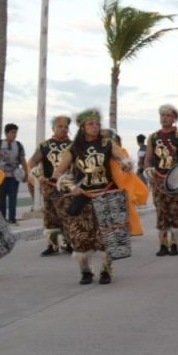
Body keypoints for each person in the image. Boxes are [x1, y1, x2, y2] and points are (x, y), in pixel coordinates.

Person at [52, 109, 133, 284]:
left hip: (106, 195)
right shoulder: (73, 148)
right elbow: (57, 173)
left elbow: (122, 158)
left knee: (107, 237)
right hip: (83, 197)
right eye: (90, 123)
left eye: (97, 123)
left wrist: (126, 164)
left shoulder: (108, 144)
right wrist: (71, 186)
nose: (95, 127)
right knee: (80, 237)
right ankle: (85, 271)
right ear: (82, 126)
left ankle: (106, 270)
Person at [144, 105, 178, 256]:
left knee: (176, 211)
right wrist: (148, 170)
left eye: (168, 116)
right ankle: (163, 245)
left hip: (176, 179)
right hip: (158, 179)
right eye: (162, 115)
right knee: (161, 211)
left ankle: (175, 244)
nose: (164, 118)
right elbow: (148, 159)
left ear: (173, 118)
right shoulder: (153, 137)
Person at [27, 115, 73, 256]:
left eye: (66, 127)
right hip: (49, 186)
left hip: (68, 186)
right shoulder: (45, 146)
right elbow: (32, 163)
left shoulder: (74, 145)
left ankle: (68, 243)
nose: (63, 129)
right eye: (60, 126)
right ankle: (52, 245)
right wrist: (39, 176)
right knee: (50, 216)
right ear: (53, 128)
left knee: (67, 215)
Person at [0, 123, 28, 224]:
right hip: (0, 176)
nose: (14, 135)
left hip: (14, 176)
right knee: (1, 198)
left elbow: (23, 160)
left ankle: (12, 219)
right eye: (12, 132)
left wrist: (26, 173)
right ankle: (2, 219)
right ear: (6, 133)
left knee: (13, 197)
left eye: (15, 132)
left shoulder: (18, 145)